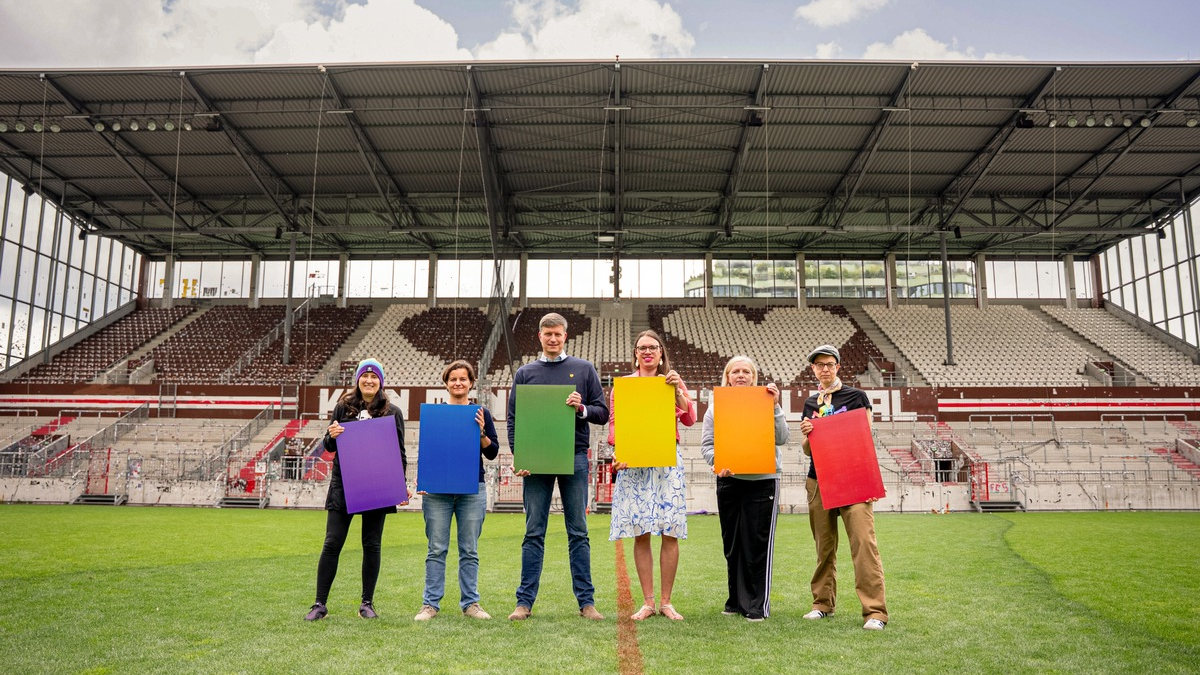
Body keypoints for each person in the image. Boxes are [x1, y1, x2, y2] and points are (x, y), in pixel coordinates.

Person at [506, 312, 610, 621]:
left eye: (558, 334)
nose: (553, 338)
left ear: (566, 336)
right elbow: (514, 418)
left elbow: (602, 412)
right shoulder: (525, 373)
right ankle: (524, 602)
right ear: (540, 336)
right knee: (533, 531)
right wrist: (519, 454)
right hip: (536, 459)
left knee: (578, 531)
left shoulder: (584, 369)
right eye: (548, 334)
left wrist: (581, 409)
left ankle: (586, 602)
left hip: (574, 455)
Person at [303, 358, 408, 621]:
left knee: (371, 544)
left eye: (374, 377)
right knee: (332, 542)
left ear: (381, 381)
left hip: (378, 485)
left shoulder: (392, 412)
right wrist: (332, 435)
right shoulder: (343, 407)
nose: (369, 380)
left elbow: (399, 452)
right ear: (358, 379)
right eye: (365, 376)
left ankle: (367, 604)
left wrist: (400, 486)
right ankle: (319, 604)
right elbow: (329, 446)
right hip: (345, 484)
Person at [798, 344, 889, 630]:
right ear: (813, 370)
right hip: (819, 480)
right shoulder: (811, 403)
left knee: (863, 544)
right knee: (824, 548)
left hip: (853, 479)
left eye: (829, 364)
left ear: (838, 367)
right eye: (819, 365)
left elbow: (865, 438)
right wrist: (807, 435)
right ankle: (822, 604)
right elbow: (807, 450)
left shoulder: (856, 396)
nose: (824, 368)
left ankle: (875, 611)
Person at [607, 330, 696, 621]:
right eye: (642, 348)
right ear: (636, 353)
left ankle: (667, 602)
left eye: (653, 348)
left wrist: (678, 391)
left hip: (666, 460)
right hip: (634, 461)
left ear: (660, 353)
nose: (647, 352)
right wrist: (617, 454)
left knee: (670, 531)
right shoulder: (624, 386)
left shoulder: (671, 380)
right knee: (640, 532)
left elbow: (689, 417)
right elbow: (614, 424)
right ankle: (648, 602)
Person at [701, 355, 789, 622]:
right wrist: (719, 464)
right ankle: (735, 602)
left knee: (757, 544)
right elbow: (707, 446)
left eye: (746, 371)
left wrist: (775, 407)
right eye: (735, 371)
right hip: (729, 481)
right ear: (727, 377)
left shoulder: (767, 402)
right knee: (733, 544)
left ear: (754, 377)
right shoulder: (716, 407)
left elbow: (783, 438)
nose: (741, 375)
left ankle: (756, 606)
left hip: (762, 482)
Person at [414, 360, 500, 621]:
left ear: (471, 383)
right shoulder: (436, 414)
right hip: (438, 491)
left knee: (469, 549)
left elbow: (493, 451)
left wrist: (481, 433)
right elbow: (428, 450)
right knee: (436, 548)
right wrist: (425, 480)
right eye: (453, 379)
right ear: (446, 383)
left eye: (463, 379)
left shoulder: (480, 412)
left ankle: (471, 603)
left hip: (472, 488)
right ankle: (430, 604)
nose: (458, 383)